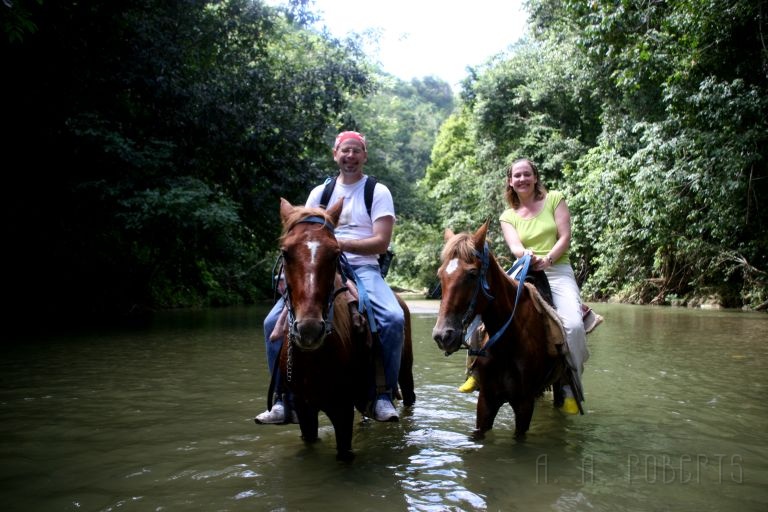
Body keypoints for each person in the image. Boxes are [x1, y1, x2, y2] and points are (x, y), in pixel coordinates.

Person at [254, 130, 404, 424]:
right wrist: (321, 252)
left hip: (364, 267)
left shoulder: (377, 191)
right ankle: (284, 399)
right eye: (345, 151)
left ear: (364, 156)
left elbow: (381, 242)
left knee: (393, 319)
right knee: (272, 322)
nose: (350, 156)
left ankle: (382, 395)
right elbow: (302, 238)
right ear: (335, 154)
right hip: (321, 268)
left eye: (356, 151)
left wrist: (338, 245)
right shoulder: (319, 194)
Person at [494, 158, 590, 414]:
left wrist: (547, 259)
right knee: (483, 314)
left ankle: (570, 384)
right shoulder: (507, 216)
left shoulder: (554, 199)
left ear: (535, 177)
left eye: (527, 174)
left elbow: (565, 237)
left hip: (557, 270)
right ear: (510, 182)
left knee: (573, 326)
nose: (522, 179)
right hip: (524, 270)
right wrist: (527, 256)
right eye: (517, 176)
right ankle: (476, 371)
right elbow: (515, 247)